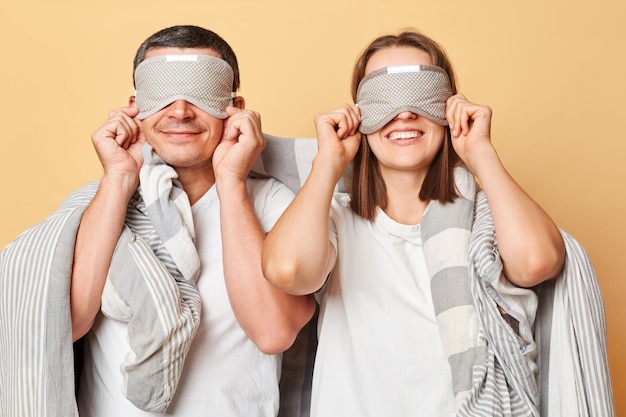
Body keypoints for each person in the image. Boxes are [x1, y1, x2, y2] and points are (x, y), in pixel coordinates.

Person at [0, 25, 315, 417]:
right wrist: (118, 178)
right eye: (161, 93)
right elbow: (64, 324)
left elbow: (273, 333)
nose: (180, 111)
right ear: (135, 107)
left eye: (199, 93)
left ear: (235, 108)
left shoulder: (273, 204)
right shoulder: (101, 205)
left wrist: (232, 182)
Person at [261, 29, 569, 416]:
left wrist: (480, 151)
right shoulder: (334, 217)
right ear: (360, 116)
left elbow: (539, 262)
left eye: (420, 94)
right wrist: (328, 161)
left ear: (449, 107)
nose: (404, 113)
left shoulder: (484, 217)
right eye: (383, 100)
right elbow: (287, 270)